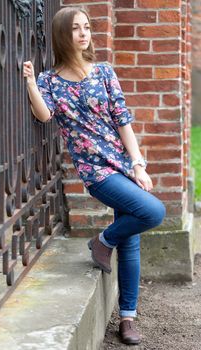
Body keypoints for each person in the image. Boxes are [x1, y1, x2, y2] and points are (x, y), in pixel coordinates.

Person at [23, 6, 166, 345]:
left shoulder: (104, 71)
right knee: (153, 211)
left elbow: (123, 121)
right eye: (76, 28)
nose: (84, 33)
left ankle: (128, 318)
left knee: (131, 238)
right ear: (62, 34)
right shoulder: (50, 81)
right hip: (95, 171)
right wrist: (30, 81)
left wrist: (138, 164)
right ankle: (101, 242)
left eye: (87, 27)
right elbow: (44, 116)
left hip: (121, 163)